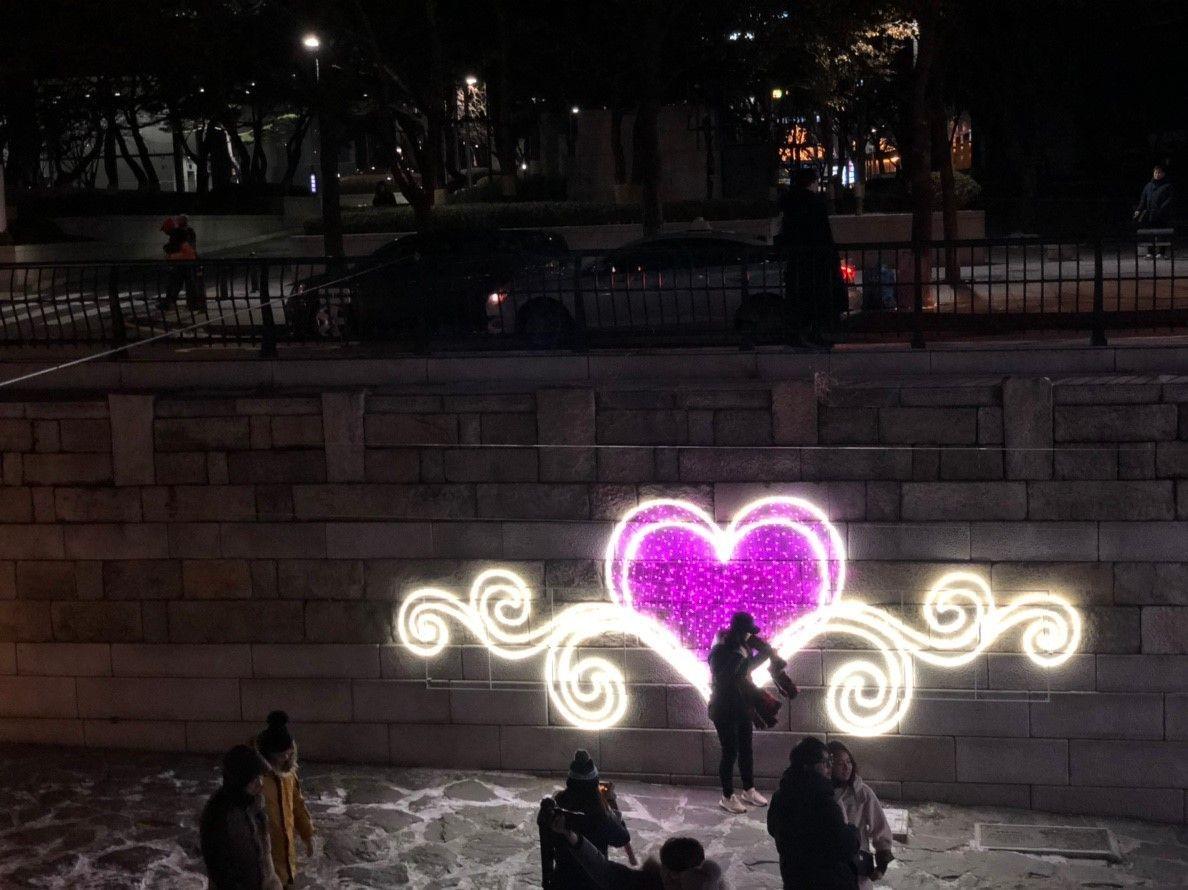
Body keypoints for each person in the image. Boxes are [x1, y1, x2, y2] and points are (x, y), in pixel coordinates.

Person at [540, 798, 727, 890]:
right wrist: (572, 836)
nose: (667, 877)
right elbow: (605, 871)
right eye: (665, 870)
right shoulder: (647, 883)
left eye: (673, 875)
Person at [707, 611, 790, 814]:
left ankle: (748, 789)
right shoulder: (719, 650)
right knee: (730, 751)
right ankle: (727, 796)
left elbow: (746, 672)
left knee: (746, 749)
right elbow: (729, 675)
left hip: (742, 705)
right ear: (738, 631)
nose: (749, 637)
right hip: (723, 707)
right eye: (746, 633)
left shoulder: (743, 646)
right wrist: (762, 656)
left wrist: (767, 653)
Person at [767, 736, 861, 890]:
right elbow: (844, 845)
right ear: (808, 766)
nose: (829, 768)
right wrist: (853, 832)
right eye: (826, 763)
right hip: (826, 881)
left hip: (794, 877)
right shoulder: (823, 802)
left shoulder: (780, 796)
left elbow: (772, 829)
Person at [775, 167, 846, 345]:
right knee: (818, 297)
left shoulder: (789, 203)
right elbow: (824, 233)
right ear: (812, 183)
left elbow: (785, 232)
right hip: (817, 258)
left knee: (799, 297)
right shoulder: (815, 203)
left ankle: (799, 333)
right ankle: (815, 332)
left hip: (797, 259)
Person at [544, 749, 632, 889]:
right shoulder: (600, 817)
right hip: (593, 880)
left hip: (563, 879)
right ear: (595, 784)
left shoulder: (556, 810)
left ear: (570, 782)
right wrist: (610, 805)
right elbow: (622, 838)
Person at [199, 745, 283, 890]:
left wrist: (272, 882)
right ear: (239, 781)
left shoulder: (254, 801)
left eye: (260, 777)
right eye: (254, 779)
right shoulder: (218, 814)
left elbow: (264, 853)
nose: (260, 783)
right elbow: (219, 871)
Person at [251, 711, 314, 887]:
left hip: (286, 852)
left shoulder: (288, 774)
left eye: (288, 753)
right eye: (280, 755)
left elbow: (297, 804)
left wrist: (307, 833)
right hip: (266, 855)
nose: (285, 757)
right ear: (269, 753)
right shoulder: (257, 779)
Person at [828, 741, 894, 889]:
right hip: (829, 866)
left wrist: (882, 864)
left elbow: (880, 827)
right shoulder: (822, 793)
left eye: (849, 761)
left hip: (857, 865)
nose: (846, 767)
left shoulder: (862, 792)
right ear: (829, 766)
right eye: (840, 763)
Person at [160, 214, 201, 310]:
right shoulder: (190, 231)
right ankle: (193, 304)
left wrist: (168, 252)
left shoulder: (177, 233)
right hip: (190, 262)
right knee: (190, 284)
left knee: (173, 284)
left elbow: (174, 248)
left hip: (181, 262)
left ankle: (169, 303)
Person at [1134, 163, 1175, 257]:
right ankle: (1150, 252)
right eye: (1155, 172)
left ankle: (1161, 252)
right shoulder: (1148, 186)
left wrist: (1161, 209)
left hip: (1162, 214)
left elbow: (1170, 199)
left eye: (1159, 173)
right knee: (1150, 233)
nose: (1157, 174)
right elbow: (1143, 199)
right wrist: (1138, 210)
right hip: (1150, 214)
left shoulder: (1167, 186)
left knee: (1161, 233)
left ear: (1163, 174)